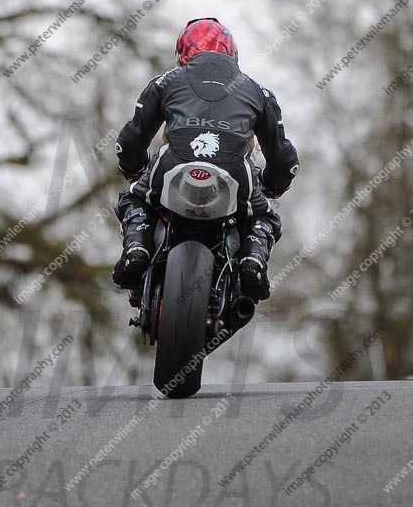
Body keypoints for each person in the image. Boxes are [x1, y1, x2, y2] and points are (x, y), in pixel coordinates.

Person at [112, 17, 299, 302]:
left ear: (182, 54)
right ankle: (253, 260)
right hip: (235, 171)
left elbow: (131, 140)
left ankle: (137, 248)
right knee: (264, 216)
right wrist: (273, 184)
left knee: (135, 201)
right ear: (232, 53)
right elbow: (283, 157)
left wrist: (133, 166)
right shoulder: (259, 92)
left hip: (173, 164)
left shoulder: (165, 81)